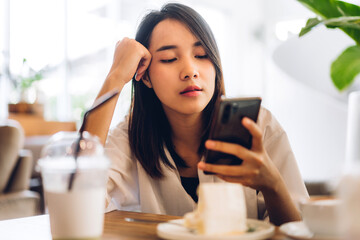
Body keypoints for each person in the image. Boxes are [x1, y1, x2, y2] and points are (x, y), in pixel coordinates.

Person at [85, 3, 309, 226]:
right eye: (170, 59)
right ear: (145, 77)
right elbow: (79, 198)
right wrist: (115, 77)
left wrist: (273, 184)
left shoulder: (258, 125)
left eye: (201, 55)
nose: (190, 71)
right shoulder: (130, 135)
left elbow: (300, 230)